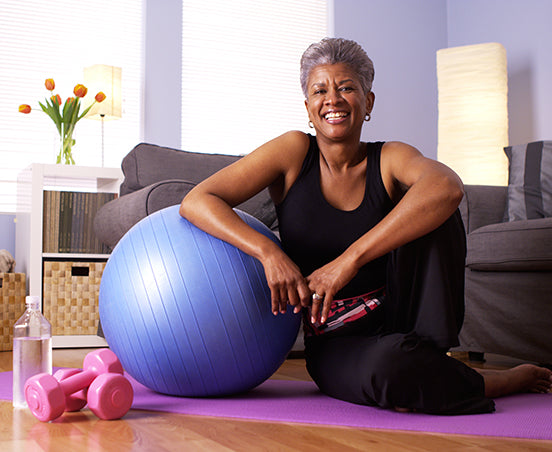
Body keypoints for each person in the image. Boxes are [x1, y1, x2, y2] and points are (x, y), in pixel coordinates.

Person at [180, 37, 552, 414]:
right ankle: (491, 380)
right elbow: (198, 200)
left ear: (368, 102)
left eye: (347, 88)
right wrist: (268, 252)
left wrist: (349, 260)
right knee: (391, 370)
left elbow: (448, 188)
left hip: (406, 318)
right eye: (320, 90)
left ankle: (434, 356)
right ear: (308, 108)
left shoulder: (389, 157)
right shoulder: (293, 152)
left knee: (434, 204)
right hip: (337, 339)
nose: (333, 100)